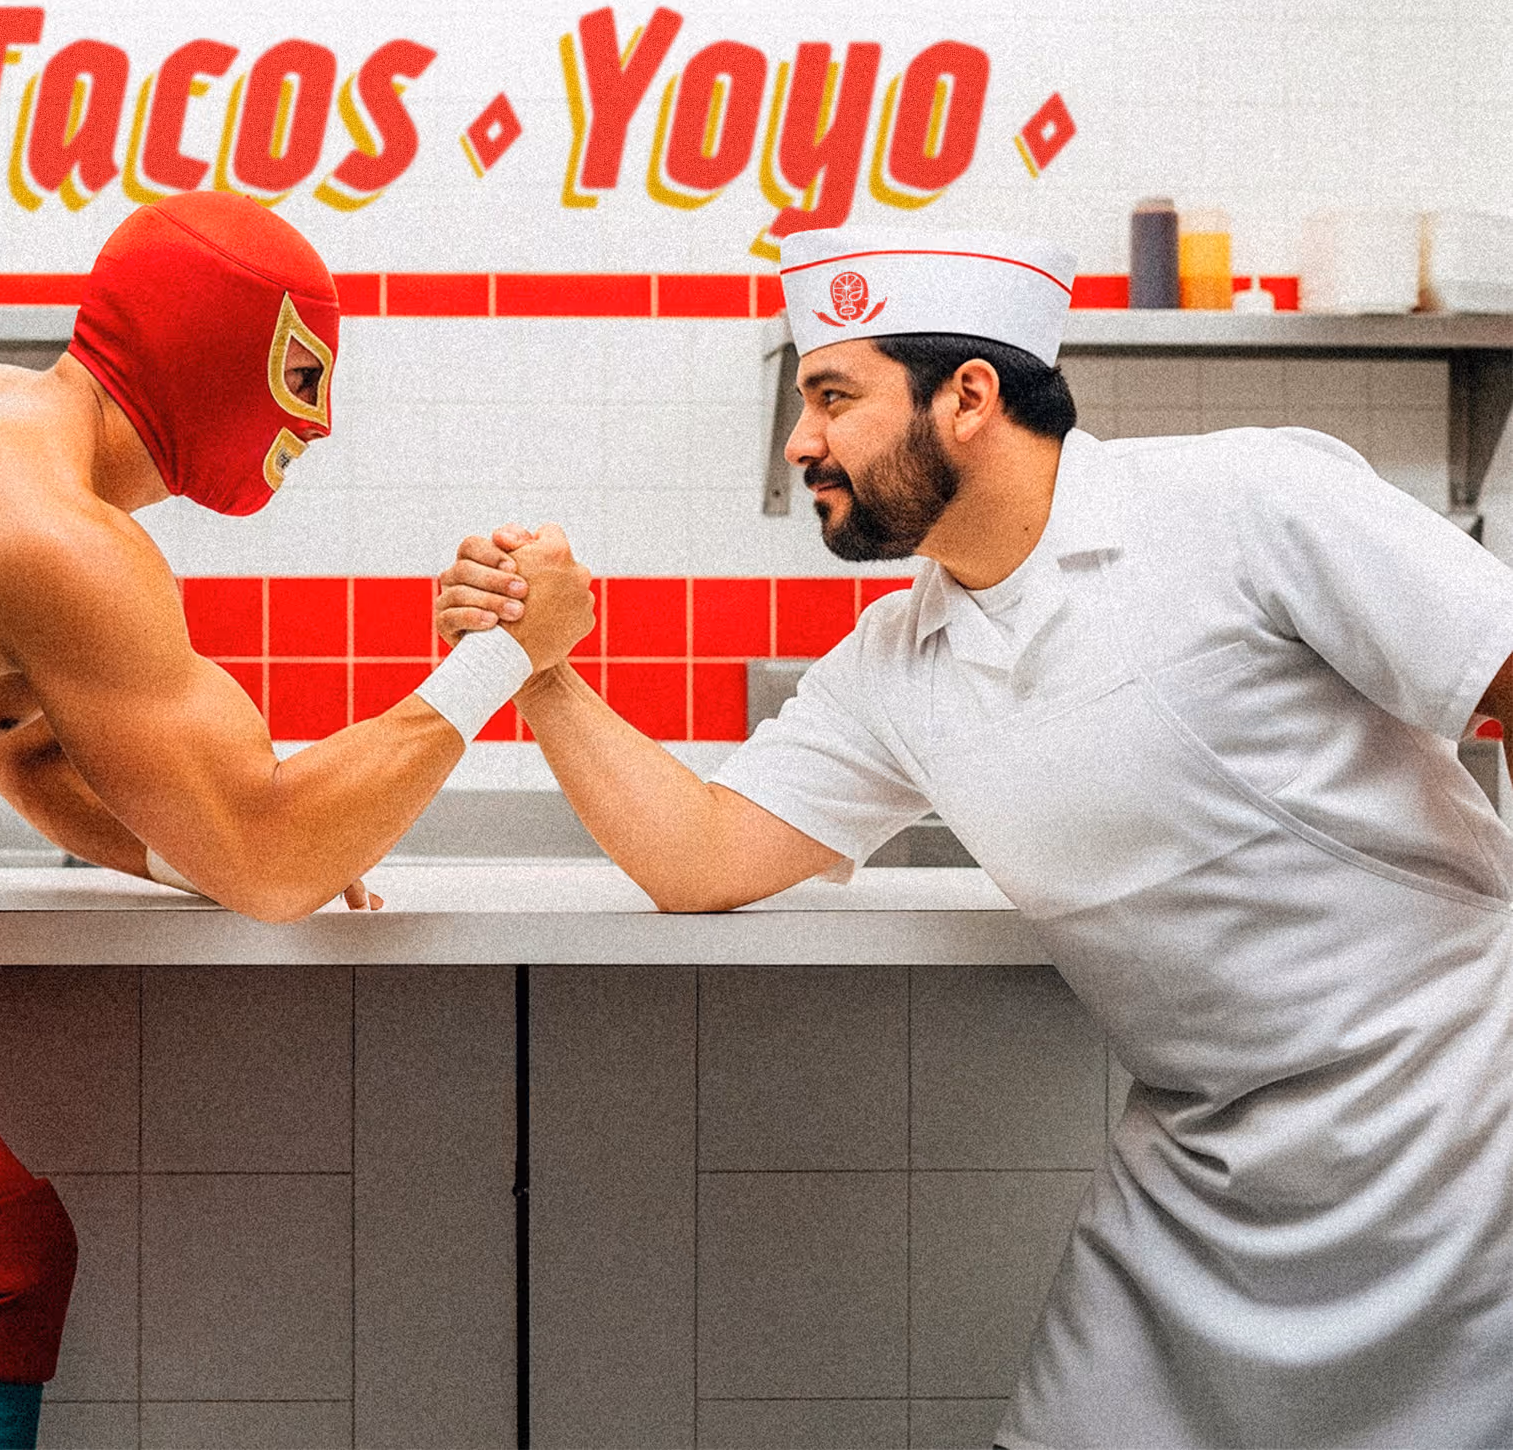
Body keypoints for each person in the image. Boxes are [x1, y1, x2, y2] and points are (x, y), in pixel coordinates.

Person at [438, 228, 1513, 1447]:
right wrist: (539, 672)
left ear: (968, 396)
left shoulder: (1244, 502)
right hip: (1206, 1179)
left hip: (1461, 1137)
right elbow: (700, 854)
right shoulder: (902, 660)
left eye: (832, 398)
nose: (800, 444)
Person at [0, 191, 592, 1449]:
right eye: (305, 374)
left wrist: (201, 854)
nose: (316, 421)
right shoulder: (56, 536)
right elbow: (273, 860)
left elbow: (32, 756)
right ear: (218, 354)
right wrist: (501, 659)